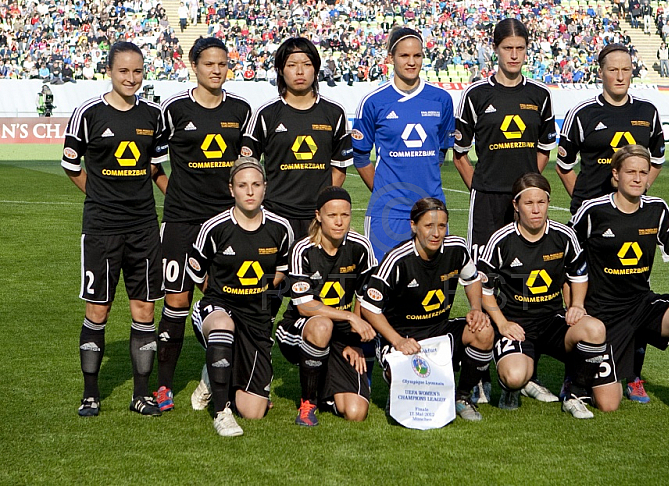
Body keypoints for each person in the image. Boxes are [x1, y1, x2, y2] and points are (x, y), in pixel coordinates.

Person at [453, 18, 558, 404]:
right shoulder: (477, 94)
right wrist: (479, 186)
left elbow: (545, 149)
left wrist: (527, 189)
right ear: (495, 50)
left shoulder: (540, 96)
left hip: (522, 202)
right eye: (507, 48)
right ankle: (479, 368)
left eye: (520, 48)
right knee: (480, 277)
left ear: (527, 50)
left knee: (528, 272)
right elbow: (461, 154)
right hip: (487, 199)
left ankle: (522, 360)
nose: (514, 55)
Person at [62, 41, 168, 417]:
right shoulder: (87, 113)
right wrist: (101, 197)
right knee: (98, 310)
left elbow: (156, 169)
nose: (131, 78)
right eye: (124, 71)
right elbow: (71, 165)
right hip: (102, 228)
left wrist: (174, 201)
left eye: (137, 71)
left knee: (143, 308)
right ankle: (90, 394)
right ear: (109, 71)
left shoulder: (153, 115)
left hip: (143, 228)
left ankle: (141, 395)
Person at [557, 43, 666, 403]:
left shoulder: (647, 112)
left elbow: (656, 161)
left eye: (626, 70)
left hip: (631, 221)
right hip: (589, 222)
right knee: (581, 294)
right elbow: (564, 165)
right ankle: (575, 372)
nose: (620, 76)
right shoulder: (583, 113)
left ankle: (632, 375)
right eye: (613, 70)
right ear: (600, 72)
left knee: (634, 292)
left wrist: (636, 195)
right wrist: (589, 202)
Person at [571, 145, 669, 419]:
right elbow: (569, 261)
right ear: (616, 174)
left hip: (641, 305)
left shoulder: (657, 209)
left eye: (643, 173)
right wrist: (575, 306)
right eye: (631, 172)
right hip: (603, 313)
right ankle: (576, 378)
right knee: (608, 404)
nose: (637, 178)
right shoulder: (593, 210)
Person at [154, 37, 252, 412]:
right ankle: (164, 387)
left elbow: (246, 166)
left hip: (226, 223)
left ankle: (218, 379)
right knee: (176, 302)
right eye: (209, 63)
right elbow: (152, 162)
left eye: (223, 63)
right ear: (193, 65)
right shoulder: (174, 108)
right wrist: (175, 194)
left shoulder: (241, 110)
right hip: (181, 221)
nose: (216, 69)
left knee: (228, 300)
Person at [479, 173, 616, 418]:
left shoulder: (564, 236)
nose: (536, 210)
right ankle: (516, 386)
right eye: (529, 203)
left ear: (548, 203)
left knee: (595, 329)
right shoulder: (501, 240)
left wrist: (576, 305)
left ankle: (574, 394)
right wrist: (502, 323)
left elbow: (579, 275)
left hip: (553, 321)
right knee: (514, 376)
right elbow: (484, 291)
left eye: (541, 202)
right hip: (516, 324)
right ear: (516, 205)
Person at [361, 198, 494, 422]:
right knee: (401, 376)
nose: (436, 233)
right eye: (428, 226)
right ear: (413, 226)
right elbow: (368, 307)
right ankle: (398, 393)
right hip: (402, 336)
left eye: (441, 226)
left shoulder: (457, 249)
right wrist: (397, 340)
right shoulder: (397, 259)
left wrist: (476, 308)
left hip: (440, 331)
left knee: (484, 331)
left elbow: (472, 279)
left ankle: (461, 398)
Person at [187, 157, 294, 436]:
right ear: (231, 189)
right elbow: (198, 275)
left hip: (256, 318)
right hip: (217, 308)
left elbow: (282, 272)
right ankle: (222, 412)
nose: (249, 192)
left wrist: (257, 297)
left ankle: (216, 372)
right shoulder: (214, 228)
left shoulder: (281, 229)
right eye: (242, 185)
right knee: (223, 326)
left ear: (265, 188)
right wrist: (219, 298)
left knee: (255, 412)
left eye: (256, 185)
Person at [276, 187, 377, 426]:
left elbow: (364, 297)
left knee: (355, 412)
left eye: (345, 215)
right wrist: (351, 319)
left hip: (340, 333)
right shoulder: (303, 249)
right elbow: (306, 307)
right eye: (332, 216)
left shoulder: (360, 246)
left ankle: (323, 387)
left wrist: (354, 342)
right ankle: (307, 403)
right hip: (299, 328)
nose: (339, 222)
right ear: (319, 216)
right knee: (322, 326)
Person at [352, 27, 455, 261]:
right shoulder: (373, 101)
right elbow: (360, 157)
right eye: (404, 56)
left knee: (431, 289)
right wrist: (383, 190)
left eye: (417, 56)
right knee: (383, 286)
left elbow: (440, 152)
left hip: (432, 211)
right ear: (391, 58)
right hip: (387, 213)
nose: (411, 62)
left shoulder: (441, 100)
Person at [242, 37, 351, 239]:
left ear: (316, 69)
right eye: (292, 65)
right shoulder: (266, 114)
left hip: (318, 218)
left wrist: (323, 207)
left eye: (307, 65)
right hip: (275, 216)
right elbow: (247, 167)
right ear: (281, 70)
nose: (300, 72)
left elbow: (339, 168)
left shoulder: (334, 113)